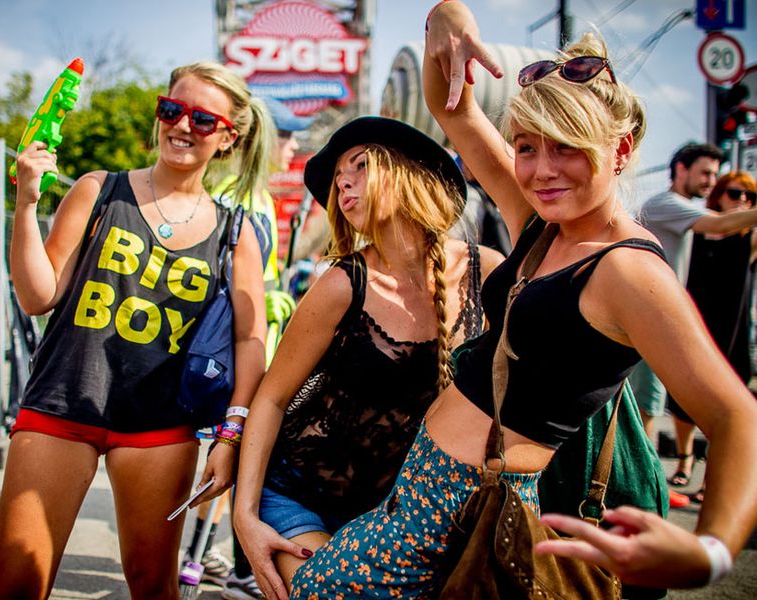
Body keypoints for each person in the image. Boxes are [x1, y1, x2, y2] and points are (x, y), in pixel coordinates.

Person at [284, 2, 757, 596]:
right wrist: (447, 17)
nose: (540, 170)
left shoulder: (627, 272)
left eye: (566, 146)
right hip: (422, 493)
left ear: (621, 149)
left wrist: (710, 552)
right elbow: (447, 106)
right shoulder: (543, 224)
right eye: (526, 146)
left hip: (458, 510)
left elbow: (737, 416)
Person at [0, 61, 270, 600]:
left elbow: (249, 342)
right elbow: (36, 295)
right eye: (172, 109)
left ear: (228, 138)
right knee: (16, 585)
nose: (182, 126)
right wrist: (26, 201)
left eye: (202, 120)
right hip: (62, 406)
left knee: (151, 585)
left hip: (159, 426)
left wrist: (232, 436)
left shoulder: (238, 232)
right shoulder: (99, 190)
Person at [233, 115, 504, 598]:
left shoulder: (488, 272)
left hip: (406, 513)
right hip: (300, 496)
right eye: (337, 181)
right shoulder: (341, 284)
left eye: (358, 167)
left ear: (409, 173)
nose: (344, 185)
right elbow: (272, 399)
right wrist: (245, 517)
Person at [181, 95, 314, 600]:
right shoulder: (246, 196)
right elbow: (246, 296)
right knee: (238, 451)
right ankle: (231, 560)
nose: (294, 146)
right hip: (243, 353)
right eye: (288, 136)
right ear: (266, 138)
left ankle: (219, 555)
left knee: (230, 452)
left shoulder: (230, 188)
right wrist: (283, 303)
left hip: (232, 352)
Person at [630, 144, 757, 504]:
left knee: (648, 404)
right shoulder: (666, 205)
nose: (710, 181)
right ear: (681, 170)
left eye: (715, 175)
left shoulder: (675, 211)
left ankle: (648, 482)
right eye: (705, 173)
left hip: (656, 319)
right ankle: (647, 486)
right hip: (648, 317)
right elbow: (719, 222)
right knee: (646, 405)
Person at [678, 171, 757, 504]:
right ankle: (684, 460)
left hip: (731, 335)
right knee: (681, 404)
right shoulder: (694, 231)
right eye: (736, 193)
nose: (741, 201)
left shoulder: (749, 238)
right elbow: (717, 226)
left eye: (749, 198)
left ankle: (710, 482)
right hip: (692, 328)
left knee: (724, 412)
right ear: (719, 194)